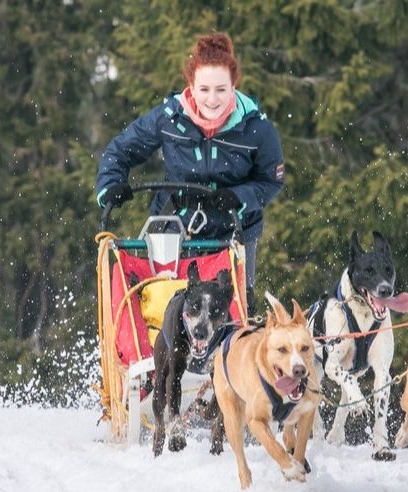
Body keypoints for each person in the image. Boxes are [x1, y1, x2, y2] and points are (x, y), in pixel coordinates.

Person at [95, 32, 285, 314]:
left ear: (233, 86)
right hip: (174, 227)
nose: (212, 99)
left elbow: (271, 180)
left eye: (221, 89)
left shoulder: (256, 128)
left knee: (231, 313)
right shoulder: (169, 118)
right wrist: (111, 184)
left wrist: (238, 196)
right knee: (163, 309)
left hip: (232, 230)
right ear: (191, 87)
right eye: (204, 89)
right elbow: (120, 150)